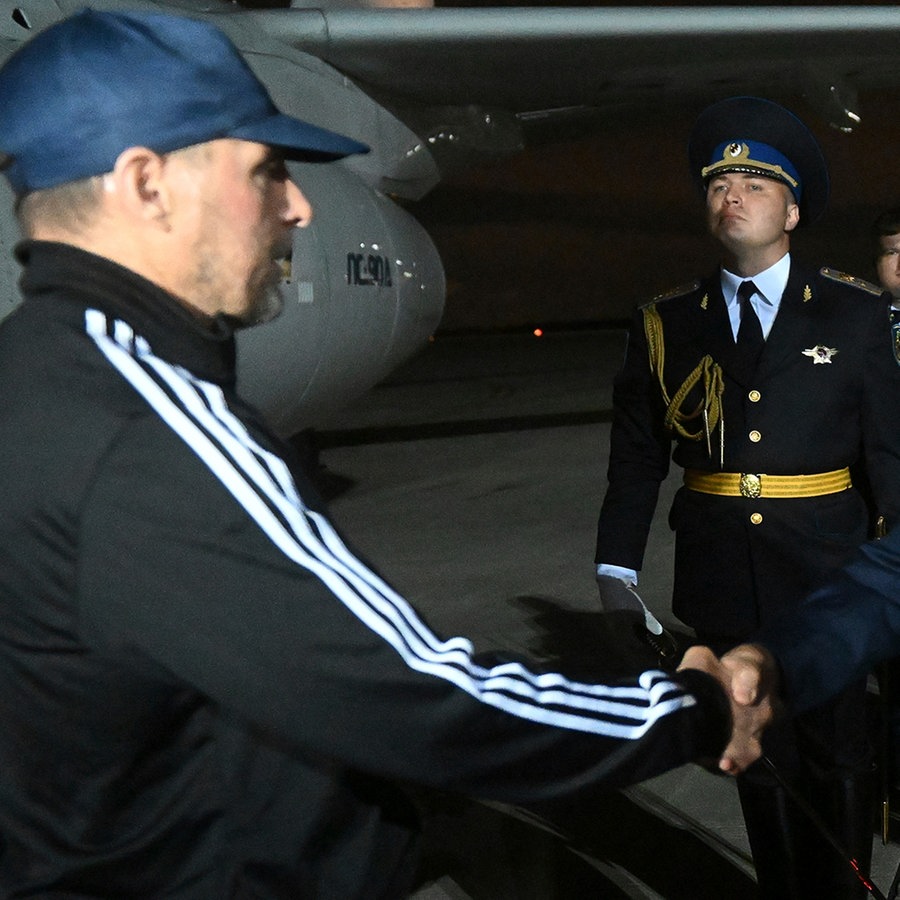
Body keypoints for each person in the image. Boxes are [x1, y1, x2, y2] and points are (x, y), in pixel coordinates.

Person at [0, 11, 769, 898]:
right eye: (264, 169)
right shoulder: (150, 426)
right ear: (147, 184)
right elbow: (420, 697)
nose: (297, 205)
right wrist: (689, 709)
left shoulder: (34, 377)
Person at [594, 95, 900, 899]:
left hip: (829, 567)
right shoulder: (665, 323)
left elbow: (887, 454)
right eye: (720, 181)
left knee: (839, 752)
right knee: (756, 753)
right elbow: (635, 458)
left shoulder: (857, 313)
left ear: (793, 209)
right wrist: (614, 572)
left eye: (757, 182)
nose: (733, 192)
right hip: (724, 572)